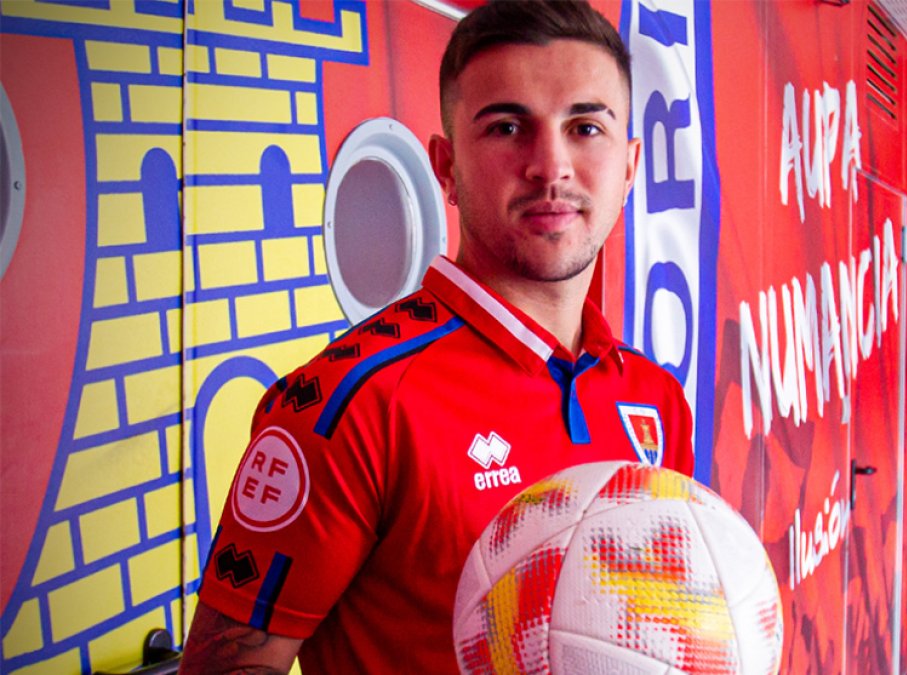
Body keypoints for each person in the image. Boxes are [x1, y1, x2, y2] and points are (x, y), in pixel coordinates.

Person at [179, 1, 694, 672]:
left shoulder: (655, 398)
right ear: (446, 167)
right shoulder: (345, 402)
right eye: (508, 127)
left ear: (628, 168)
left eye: (585, 126)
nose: (550, 165)